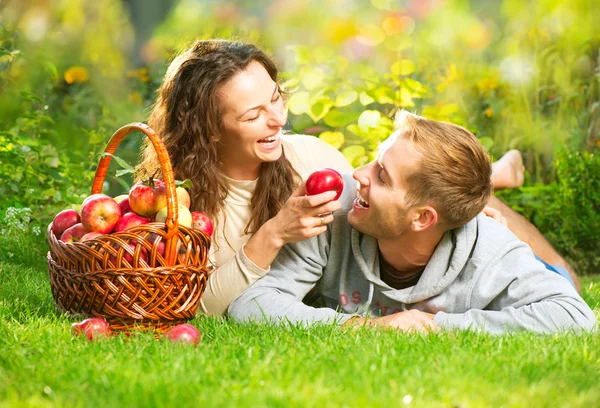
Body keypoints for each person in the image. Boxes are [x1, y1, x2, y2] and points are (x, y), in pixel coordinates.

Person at [135, 39, 578, 317]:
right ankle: (494, 175)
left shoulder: (310, 160)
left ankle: (493, 180)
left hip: (428, 220)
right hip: (402, 221)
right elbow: (204, 307)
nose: (279, 121)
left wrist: (436, 319)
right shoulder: (177, 204)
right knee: (428, 199)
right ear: (210, 129)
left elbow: (395, 205)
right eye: (254, 115)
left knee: (470, 204)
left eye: (276, 99)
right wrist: (273, 234)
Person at [228, 111, 597, 334]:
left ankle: (492, 183)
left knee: (567, 280)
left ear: (422, 218)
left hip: (504, 247)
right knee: (460, 196)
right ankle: (491, 177)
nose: (356, 173)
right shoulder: (336, 211)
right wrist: (360, 327)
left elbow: (574, 317)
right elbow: (251, 303)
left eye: (382, 176)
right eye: (374, 160)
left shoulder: (491, 248)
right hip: (445, 217)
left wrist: (434, 328)